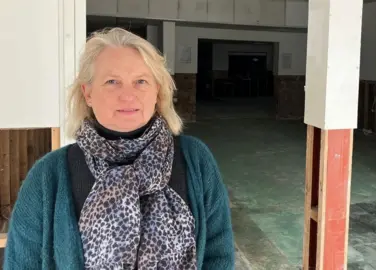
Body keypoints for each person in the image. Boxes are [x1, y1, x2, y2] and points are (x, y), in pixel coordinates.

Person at [3, 27, 234, 269]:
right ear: (88, 92)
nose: (128, 95)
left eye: (141, 81)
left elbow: (218, 255)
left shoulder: (195, 160)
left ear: (157, 91)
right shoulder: (48, 176)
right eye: (112, 81)